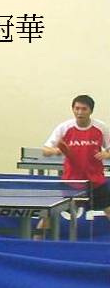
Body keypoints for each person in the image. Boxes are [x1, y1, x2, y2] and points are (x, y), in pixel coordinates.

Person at [42, 95, 110, 223]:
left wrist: (106, 155)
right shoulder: (64, 127)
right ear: (72, 109)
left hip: (96, 181)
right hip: (71, 181)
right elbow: (45, 150)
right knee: (50, 214)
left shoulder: (101, 128)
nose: (79, 112)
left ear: (91, 111)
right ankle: (37, 236)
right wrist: (55, 151)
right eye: (77, 108)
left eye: (84, 109)